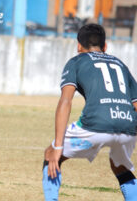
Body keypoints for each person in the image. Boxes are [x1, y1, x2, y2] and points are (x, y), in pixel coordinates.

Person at [42, 24, 137, 201]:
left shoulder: (76, 62)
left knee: (51, 155)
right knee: (121, 166)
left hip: (95, 128)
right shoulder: (120, 64)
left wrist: (58, 147)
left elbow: (66, 101)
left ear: (79, 46)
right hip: (128, 127)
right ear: (105, 46)